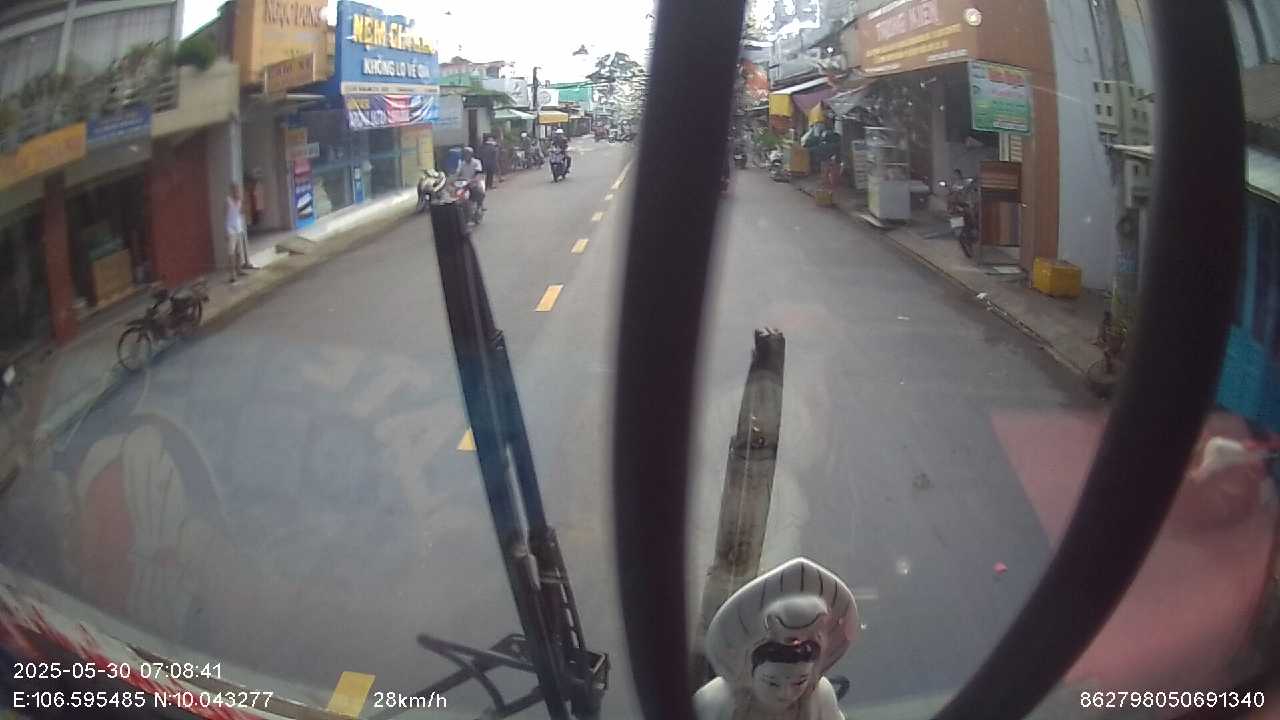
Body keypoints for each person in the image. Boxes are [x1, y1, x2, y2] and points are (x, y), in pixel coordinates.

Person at [225, 183, 250, 284]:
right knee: (231, 252)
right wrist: (226, 231)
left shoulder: (239, 201)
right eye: (235, 190)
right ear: (232, 191)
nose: (237, 192)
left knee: (239, 251)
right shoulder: (228, 201)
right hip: (230, 229)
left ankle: (239, 270)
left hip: (238, 228)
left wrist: (243, 202)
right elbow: (225, 215)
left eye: (238, 190)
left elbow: (242, 212)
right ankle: (232, 274)